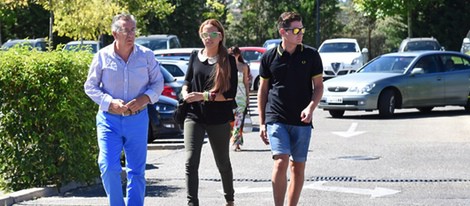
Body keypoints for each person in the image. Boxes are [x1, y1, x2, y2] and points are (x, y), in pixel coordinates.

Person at [84, 13, 164, 206]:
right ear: (114, 33)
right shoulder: (102, 56)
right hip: (109, 120)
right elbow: (90, 86)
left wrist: (144, 99)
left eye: (133, 30)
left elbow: (158, 83)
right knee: (108, 166)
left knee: (136, 171)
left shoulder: (146, 55)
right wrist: (109, 102)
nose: (130, 34)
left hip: (137, 119)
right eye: (125, 30)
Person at [257, 11, 324, 206]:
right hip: (276, 117)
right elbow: (263, 90)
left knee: (297, 167)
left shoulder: (311, 55)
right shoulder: (269, 57)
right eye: (295, 30)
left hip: (302, 120)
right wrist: (262, 123)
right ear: (283, 32)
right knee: (281, 161)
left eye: (301, 29)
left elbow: (319, 87)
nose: (300, 33)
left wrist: (311, 108)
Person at [182, 19, 238, 206]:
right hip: (194, 115)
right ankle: (192, 203)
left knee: (222, 161)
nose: (208, 38)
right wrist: (184, 93)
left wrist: (204, 96)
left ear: (220, 36)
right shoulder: (194, 56)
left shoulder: (228, 59)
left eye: (213, 34)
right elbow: (187, 81)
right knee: (190, 161)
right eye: (205, 34)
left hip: (218, 117)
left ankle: (229, 199)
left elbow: (230, 94)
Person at [229, 46, 250, 152]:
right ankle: (233, 139)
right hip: (230, 96)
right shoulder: (226, 66)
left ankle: (236, 143)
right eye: (231, 54)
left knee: (239, 120)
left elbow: (246, 83)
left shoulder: (244, 66)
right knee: (230, 120)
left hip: (241, 95)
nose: (233, 56)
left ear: (238, 55)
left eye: (234, 54)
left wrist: (247, 97)